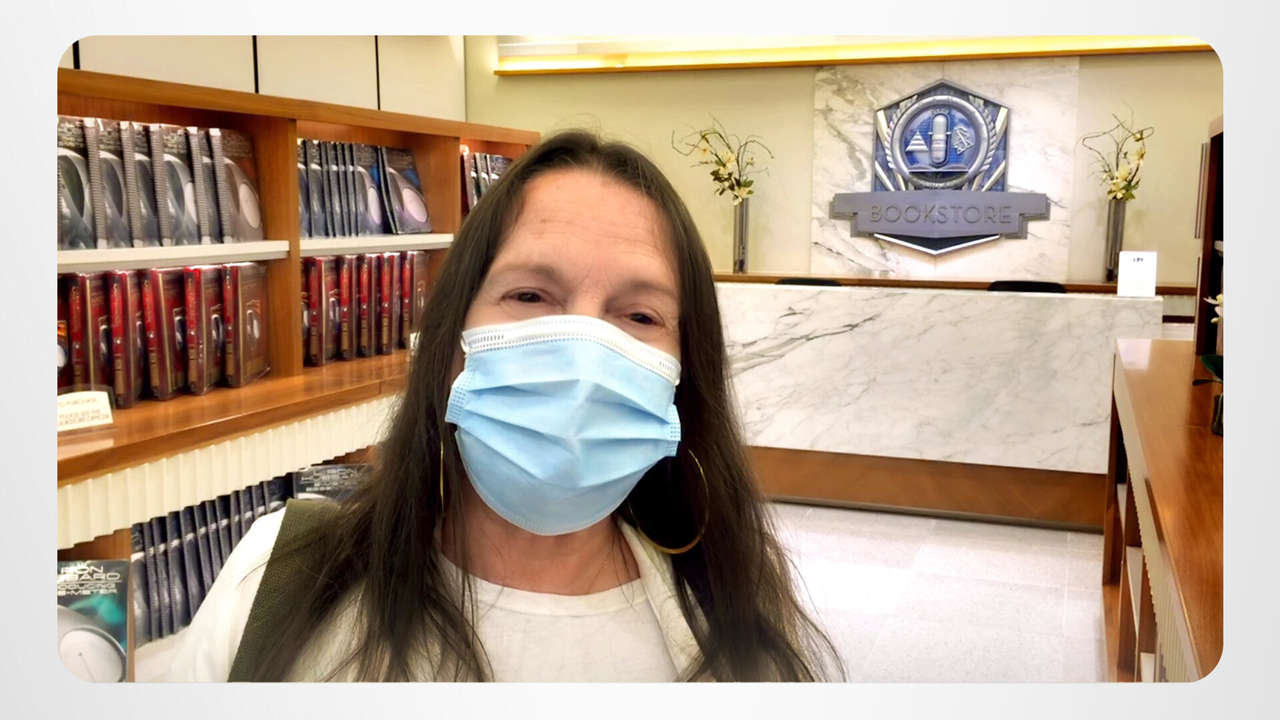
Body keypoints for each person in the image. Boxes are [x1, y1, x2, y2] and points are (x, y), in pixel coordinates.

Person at [167, 130, 843, 682]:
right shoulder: (276, 580)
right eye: (529, 296)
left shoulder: (732, 618)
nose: (583, 355)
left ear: (684, 371)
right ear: (451, 339)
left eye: (640, 314)